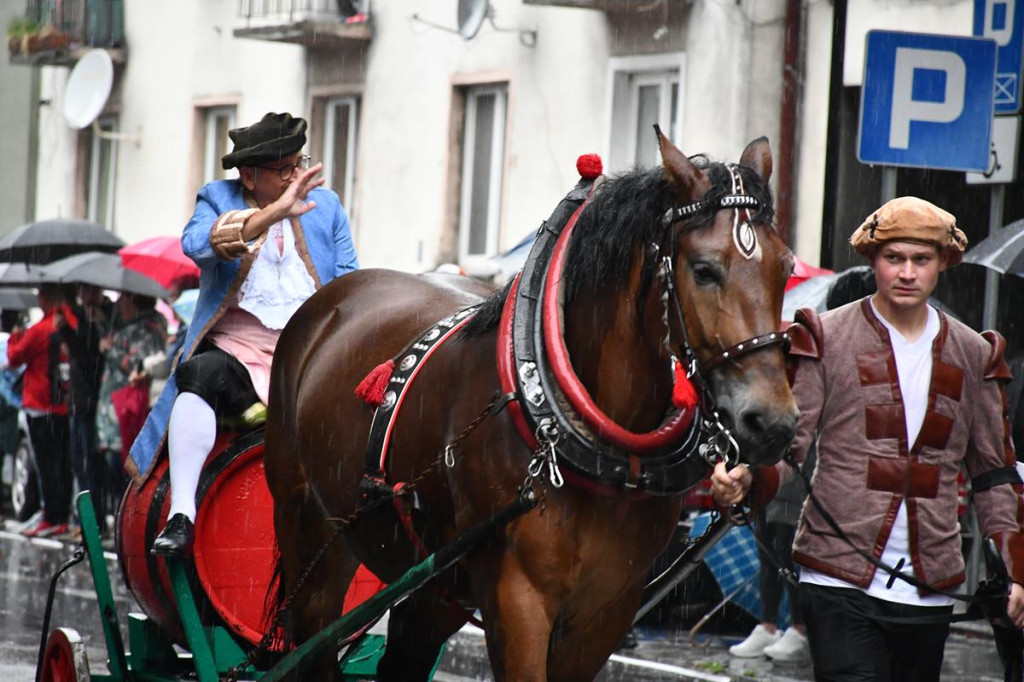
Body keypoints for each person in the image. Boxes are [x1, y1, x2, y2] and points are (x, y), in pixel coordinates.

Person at [711, 196, 1024, 680]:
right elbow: (789, 449)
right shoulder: (824, 335)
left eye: (921, 260)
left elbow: (993, 472)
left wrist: (1014, 569)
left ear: (942, 263)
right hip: (836, 576)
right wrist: (748, 479)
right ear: (873, 259)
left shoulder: (974, 353)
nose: (906, 272)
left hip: (932, 583)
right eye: (893, 258)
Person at [129, 111, 359, 556]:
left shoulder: (326, 206)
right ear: (249, 177)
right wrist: (275, 212)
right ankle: (182, 514)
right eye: (284, 169)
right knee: (195, 378)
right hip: (236, 353)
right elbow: (197, 245)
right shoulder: (217, 198)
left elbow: (349, 278)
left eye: (299, 163)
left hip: (309, 355)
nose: (296, 177)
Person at [8, 283, 76, 537]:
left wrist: (15, 336)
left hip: (39, 404)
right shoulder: (72, 325)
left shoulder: (40, 330)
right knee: (62, 463)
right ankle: (61, 515)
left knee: (46, 464)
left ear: (47, 298)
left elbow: (15, 357)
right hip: (64, 404)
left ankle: (51, 516)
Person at [94, 293, 167, 527]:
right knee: (114, 466)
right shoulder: (127, 327)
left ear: (135, 301)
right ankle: (121, 518)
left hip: (126, 408)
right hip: (115, 410)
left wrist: (109, 349)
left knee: (123, 467)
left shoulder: (145, 328)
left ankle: (126, 521)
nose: (120, 303)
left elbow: (136, 364)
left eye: (125, 298)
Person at [53, 284, 115, 530]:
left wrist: (67, 331)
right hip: (79, 402)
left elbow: (90, 360)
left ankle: (94, 522)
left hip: (93, 402)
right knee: (79, 461)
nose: (86, 296)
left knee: (91, 465)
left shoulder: (105, 317)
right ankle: (85, 520)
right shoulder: (81, 315)